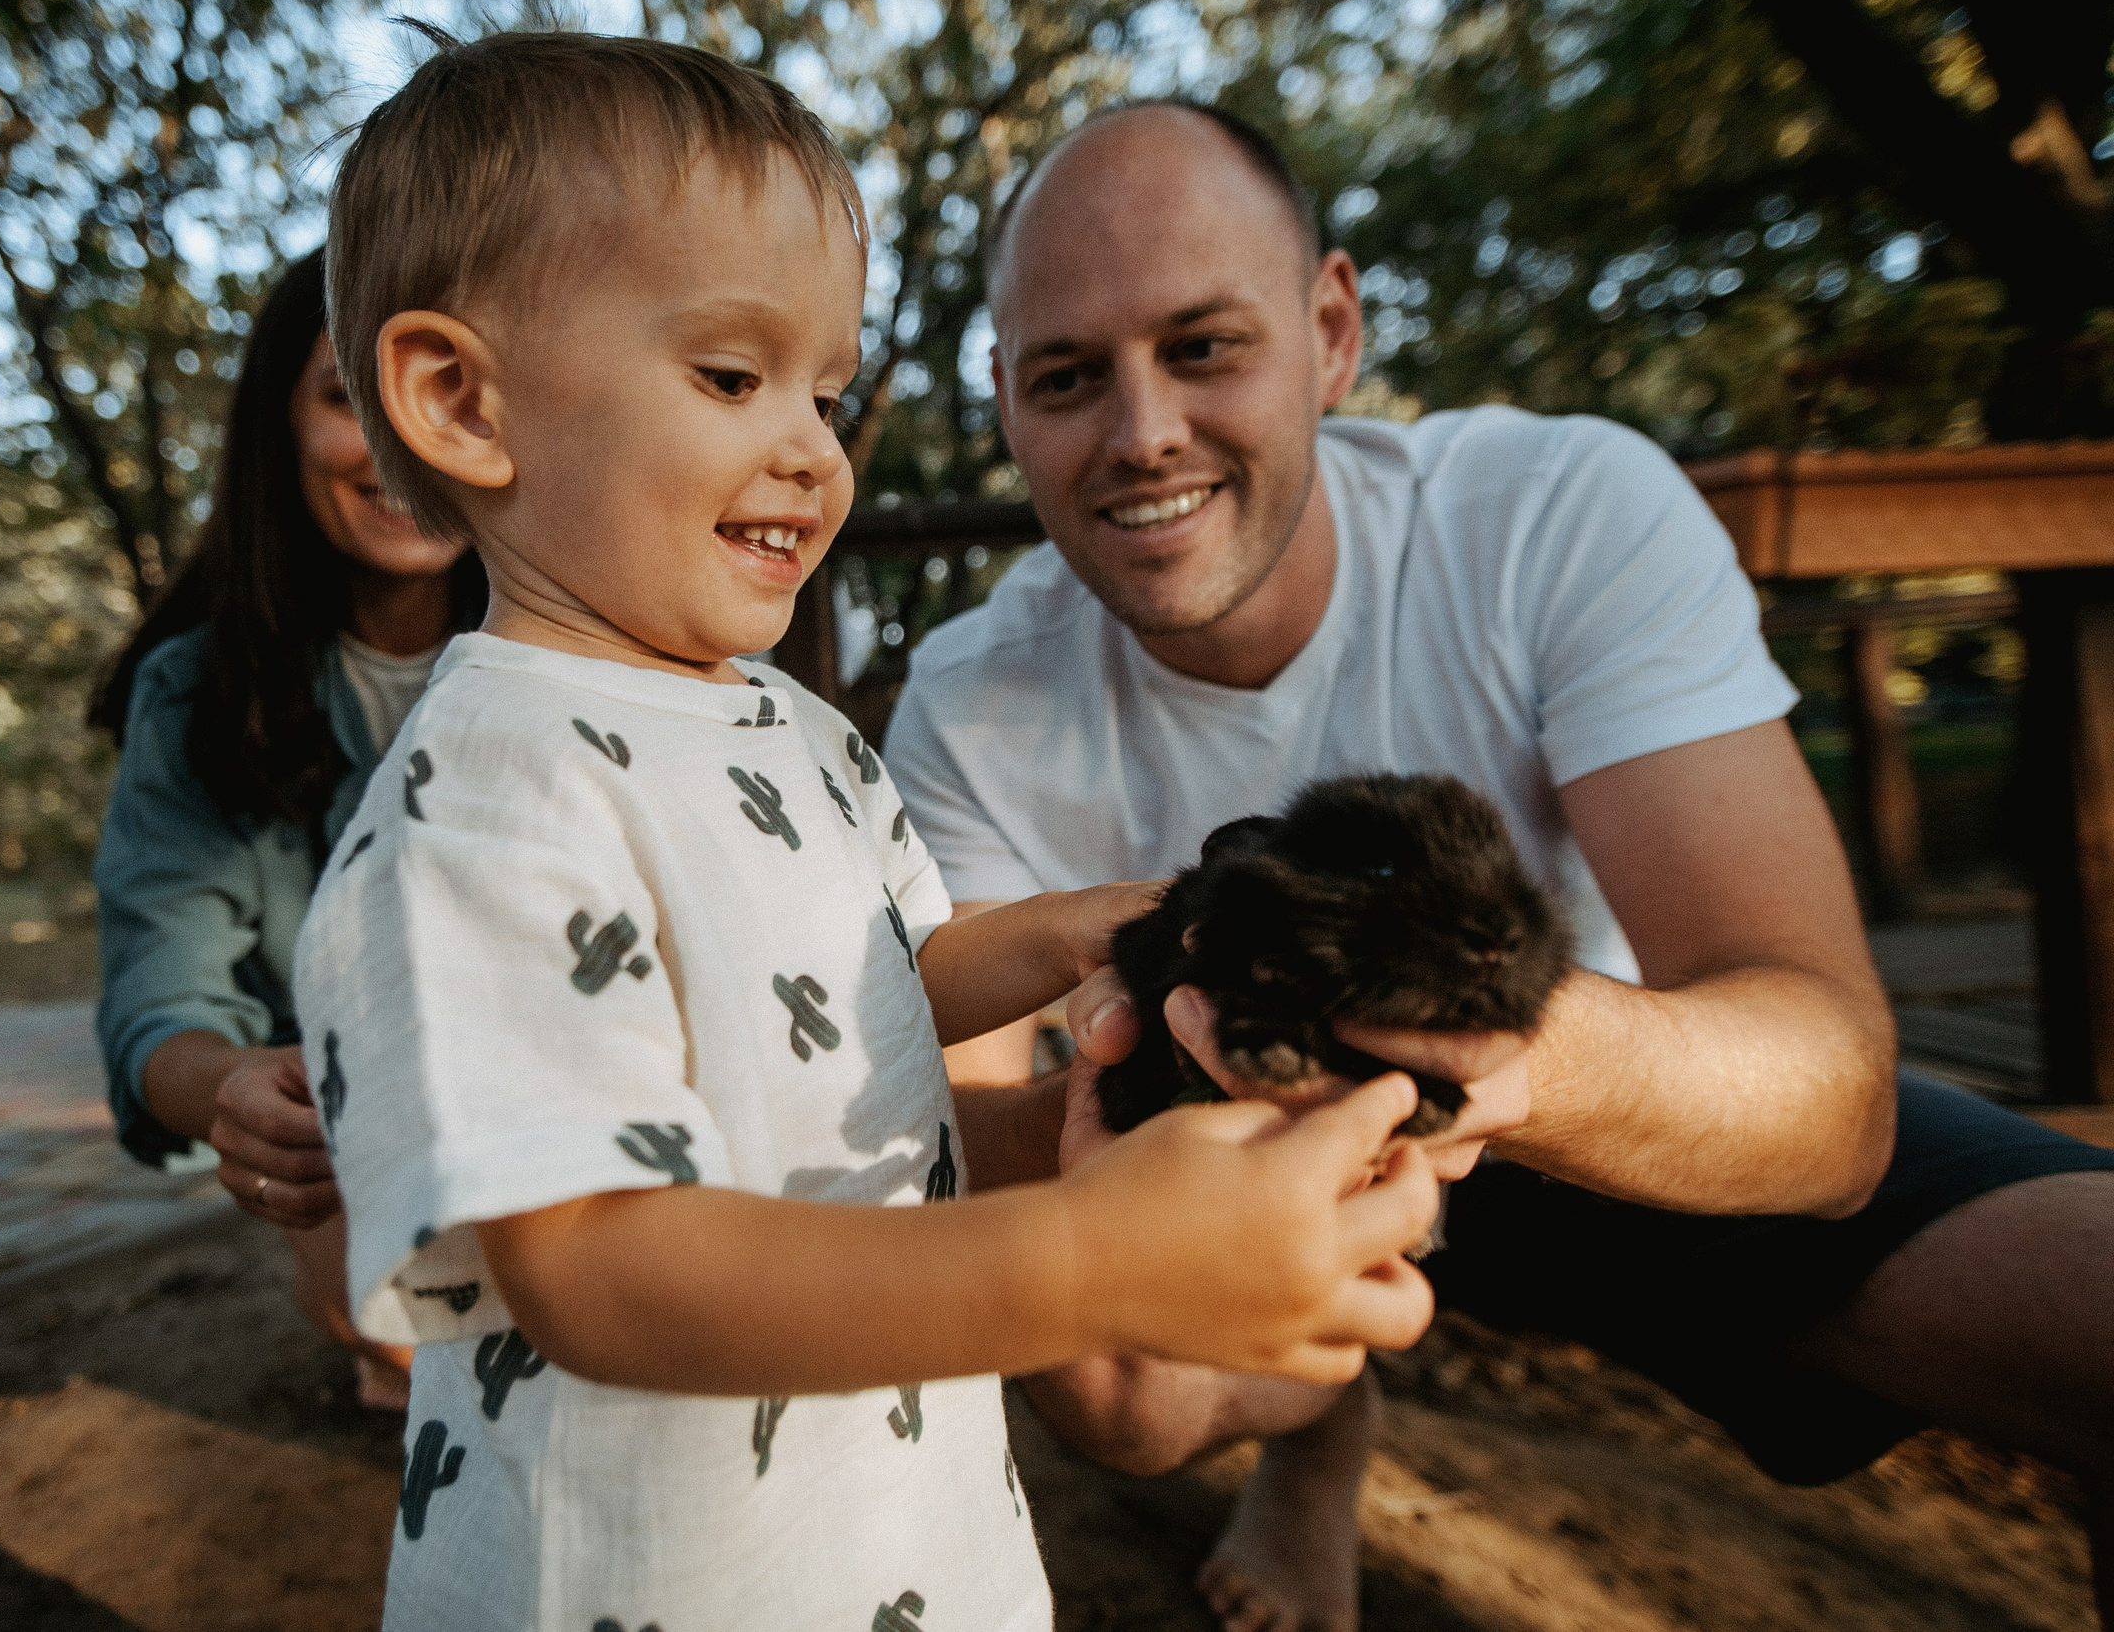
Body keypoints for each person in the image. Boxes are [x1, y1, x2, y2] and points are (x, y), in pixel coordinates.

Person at [884, 99, 2114, 1632]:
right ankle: (1323, 1426)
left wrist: (1480, 1054)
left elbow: (1832, 1093)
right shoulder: (969, 693)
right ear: (1005, 398)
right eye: (1070, 377)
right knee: (1119, 1395)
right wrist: (1122, 1116)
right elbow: (972, 1133)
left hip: (1600, 1103)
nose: (1141, 432)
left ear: (1332, 331)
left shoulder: (1556, 513)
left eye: (1204, 347)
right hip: (1219, 1146)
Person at [296, 31, 1454, 1632]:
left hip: (892, 1545)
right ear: (459, 398)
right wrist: (1083, 1266)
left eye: (826, 395)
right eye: (730, 377)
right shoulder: (485, 795)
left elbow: (886, 973)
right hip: (650, 1584)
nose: (813, 450)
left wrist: (1104, 930)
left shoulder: (790, 726)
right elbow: (592, 1268)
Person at [89, 247, 487, 1409]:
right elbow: (160, 999)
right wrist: (238, 1089)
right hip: (361, 1126)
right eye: (349, 397)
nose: (409, 438)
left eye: (456, 391)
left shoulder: (596, 649)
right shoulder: (193, 695)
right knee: (407, 1332)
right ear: (280, 425)